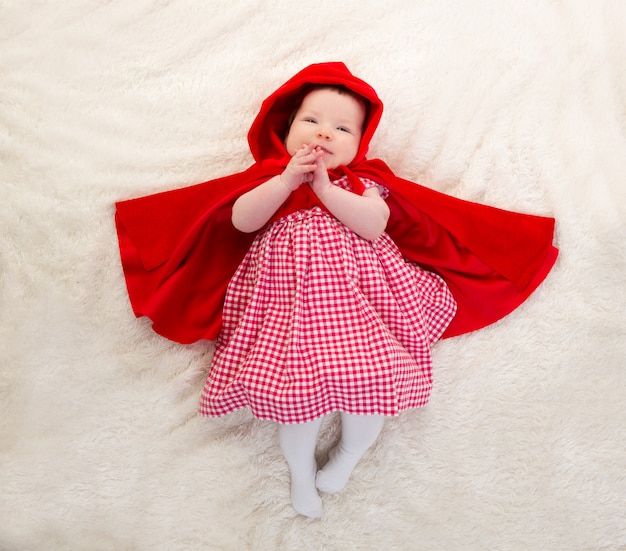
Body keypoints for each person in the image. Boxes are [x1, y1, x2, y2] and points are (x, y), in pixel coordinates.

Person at [114, 62, 558, 519]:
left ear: (359, 144)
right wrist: (287, 181)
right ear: (284, 131)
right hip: (288, 316)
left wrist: (326, 188)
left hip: (361, 313)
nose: (324, 133)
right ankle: (301, 473)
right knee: (295, 404)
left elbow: (374, 226)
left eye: (342, 128)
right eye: (311, 121)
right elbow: (241, 220)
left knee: (374, 388)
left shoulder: (364, 185)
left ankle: (347, 456)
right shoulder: (270, 183)